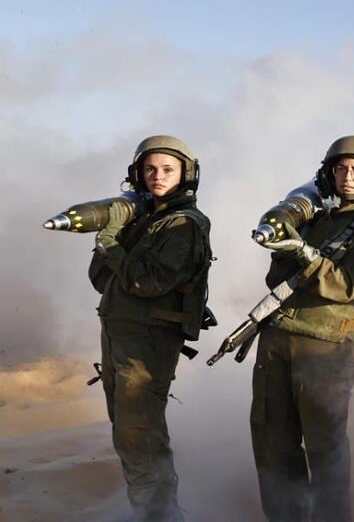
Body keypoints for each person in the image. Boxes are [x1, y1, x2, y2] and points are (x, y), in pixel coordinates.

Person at [250, 135, 354, 522]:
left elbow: (345, 285)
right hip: (277, 341)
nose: (348, 176)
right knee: (272, 443)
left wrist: (303, 252)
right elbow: (277, 279)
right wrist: (287, 239)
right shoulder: (315, 219)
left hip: (326, 349)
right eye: (341, 169)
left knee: (325, 452)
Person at [88, 135, 213, 521]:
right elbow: (100, 280)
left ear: (186, 175)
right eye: (150, 169)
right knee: (127, 433)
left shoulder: (184, 225)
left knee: (139, 435)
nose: (157, 177)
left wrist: (112, 246)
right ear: (138, 174)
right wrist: (114, 236)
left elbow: (148, 282)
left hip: (147, 344)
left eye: (168, 170)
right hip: (121, 338)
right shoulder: (142, 219)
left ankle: (159, 515)